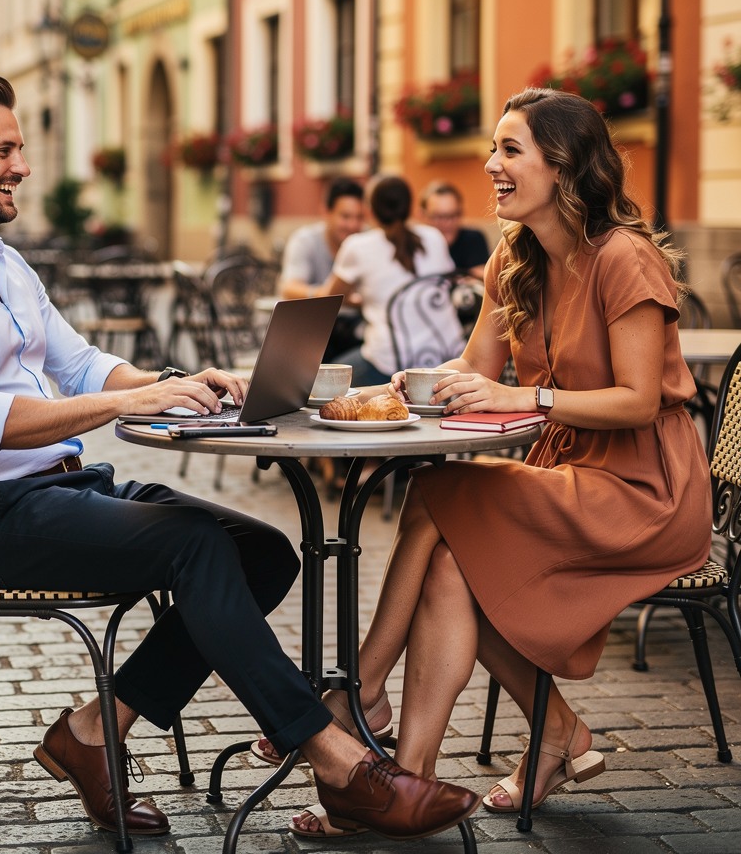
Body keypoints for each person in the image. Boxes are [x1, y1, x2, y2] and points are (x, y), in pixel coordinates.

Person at [0, 74, 480, 842]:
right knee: (195, 546)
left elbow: (81, 364)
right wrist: (125, 405)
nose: (21, 163)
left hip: (65, 490)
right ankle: (340, 762)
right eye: (4, 149)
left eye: (20, 147)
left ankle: (92, 733)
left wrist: (176, 384)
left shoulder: (2, 262)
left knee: (263, 552)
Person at [280, 87, 713, 837]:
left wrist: (528, 395)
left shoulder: (624, 258)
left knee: (442, 488)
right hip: (567, 472)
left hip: (646, 487)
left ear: (564, 164)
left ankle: (358, 691)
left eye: (510, 150)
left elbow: (641, 401)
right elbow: (472, 366)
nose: (491, 165)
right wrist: (388, 391)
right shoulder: (516, 260)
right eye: (493, 148)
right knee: (450, 564)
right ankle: (409, 779)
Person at [318, 175, 461, 386]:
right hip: (448, 358)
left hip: (390, 366)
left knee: (324, 379)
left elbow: (328, 300)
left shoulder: (358, 246)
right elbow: (440, 288)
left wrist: (363, 300)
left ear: (370, 210)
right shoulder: (434, 237)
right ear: (409, 207)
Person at [279, 177, 365, 361]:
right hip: (316, 330)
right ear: (326, 212)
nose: (353, 225)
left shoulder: (367, 239)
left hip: (358, 330)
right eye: (345, 216)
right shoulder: (305, 240)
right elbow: (289, 288)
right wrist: (329, 295)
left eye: (359, 217)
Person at [419, 180, 491, 280]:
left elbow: (485, 277)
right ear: (423, 215)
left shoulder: (473, 239)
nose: (447, 223)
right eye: (438, 217)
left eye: (453, 215)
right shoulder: (416, 244)